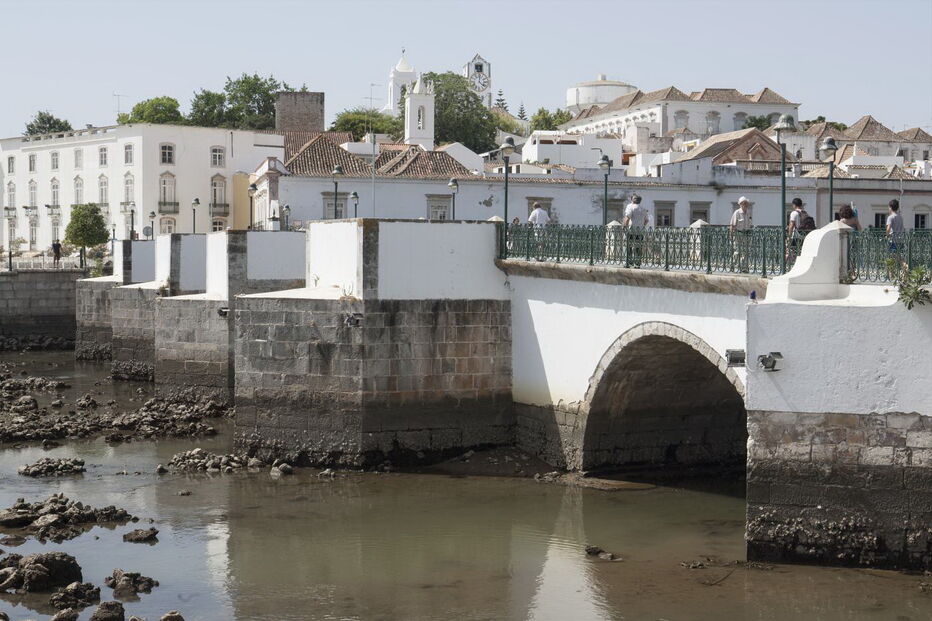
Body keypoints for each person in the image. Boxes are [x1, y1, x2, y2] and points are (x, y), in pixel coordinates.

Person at [622, 194, 649, 267]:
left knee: (628, 246)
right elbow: (646, 220)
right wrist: (641, 225)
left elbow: (627, 218)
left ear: (632, 200)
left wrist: (625, 227)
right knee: (638, 247)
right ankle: (637, 263)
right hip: (640, 230)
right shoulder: (643, 208)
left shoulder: (630, 207)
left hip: (631, 229)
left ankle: (629, 262)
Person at [730, 197, 753, 272]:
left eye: (746, 203)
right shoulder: (737, 213)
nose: (745, 205)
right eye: (744, 203)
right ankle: (732, 265)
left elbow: (750, 223)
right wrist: (731, 235)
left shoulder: (748, 212)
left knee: (746, 251)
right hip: (738, 234)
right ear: (740, 204)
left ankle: (744, 267)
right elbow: (732, 225)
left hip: (746, 234)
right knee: (737, 251)